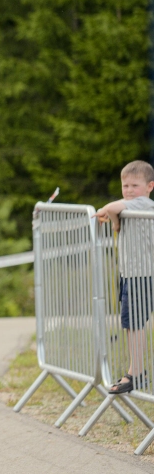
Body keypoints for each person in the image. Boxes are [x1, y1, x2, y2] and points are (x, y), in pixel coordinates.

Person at [98, 160, 154, 395]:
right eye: (125, 186)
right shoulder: (132, 205)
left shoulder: (142, 204)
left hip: (140, 273)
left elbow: (110, 208)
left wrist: (115, 221)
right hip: (131, 272)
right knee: (131, 323)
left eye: (135, 185)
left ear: (150, 186)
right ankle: (136, 370)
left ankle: (136, 372)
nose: (129, 191)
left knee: (134, 323)